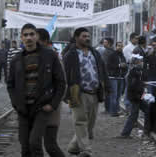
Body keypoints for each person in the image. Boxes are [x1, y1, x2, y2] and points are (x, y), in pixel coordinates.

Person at [7, 25, 66, 157]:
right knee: (25, 146)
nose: (29, 38)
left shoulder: (49, 55)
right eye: (26, 35)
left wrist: (52, 104)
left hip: (41, 107)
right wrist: (16, 104)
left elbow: (61, 82)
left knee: (35, 142)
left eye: (32, 34)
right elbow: (10, 84)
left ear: (37, 37)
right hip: (23, 109)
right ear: (21, 38)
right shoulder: (17, 59)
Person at [63, 27, 108, 157]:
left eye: (88, 36)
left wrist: (107, 87)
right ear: (76, 37)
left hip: (94, 92)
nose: (87, 38)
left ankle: (73, 146)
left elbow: (102, 70)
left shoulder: (95, 53)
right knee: (80, 121)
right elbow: (64, 74)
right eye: (84, 36)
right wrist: (66, 94)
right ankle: (86, 151)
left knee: (90, 124)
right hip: (78, 92)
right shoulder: (70, 54)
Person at [34, 28, 66, 157]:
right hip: (36, 109)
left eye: (37, 41)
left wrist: (53, 105)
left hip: (50, 109)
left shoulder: (54, 58)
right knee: (34, 144)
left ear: (45, 41)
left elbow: (62, 84)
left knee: (50, 145)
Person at [118, 55, 156, 138]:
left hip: (137, 96)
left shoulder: (136, 71)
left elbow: (135, 84)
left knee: (146, 111)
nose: (142, 62)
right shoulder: (134, 72)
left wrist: (142, 85)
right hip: (135, 97)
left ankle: (146, 130)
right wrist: (142, 86)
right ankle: (125, 133)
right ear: (137, 62)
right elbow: (133, 86)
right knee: (134, 115)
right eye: (141, 61)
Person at [106, 38, 127, 117]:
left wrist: (125, 68)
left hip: (120, 78)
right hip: (113, 78)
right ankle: (113, 112)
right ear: (116, 47)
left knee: (118, 96)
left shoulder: (122, 56)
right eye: (118, 46)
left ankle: (117, 110)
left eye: (121, 46)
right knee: (113, 96)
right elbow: (108, 66)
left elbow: (125, 66)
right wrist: (118, 65)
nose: (120, 47)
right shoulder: (112, 55)